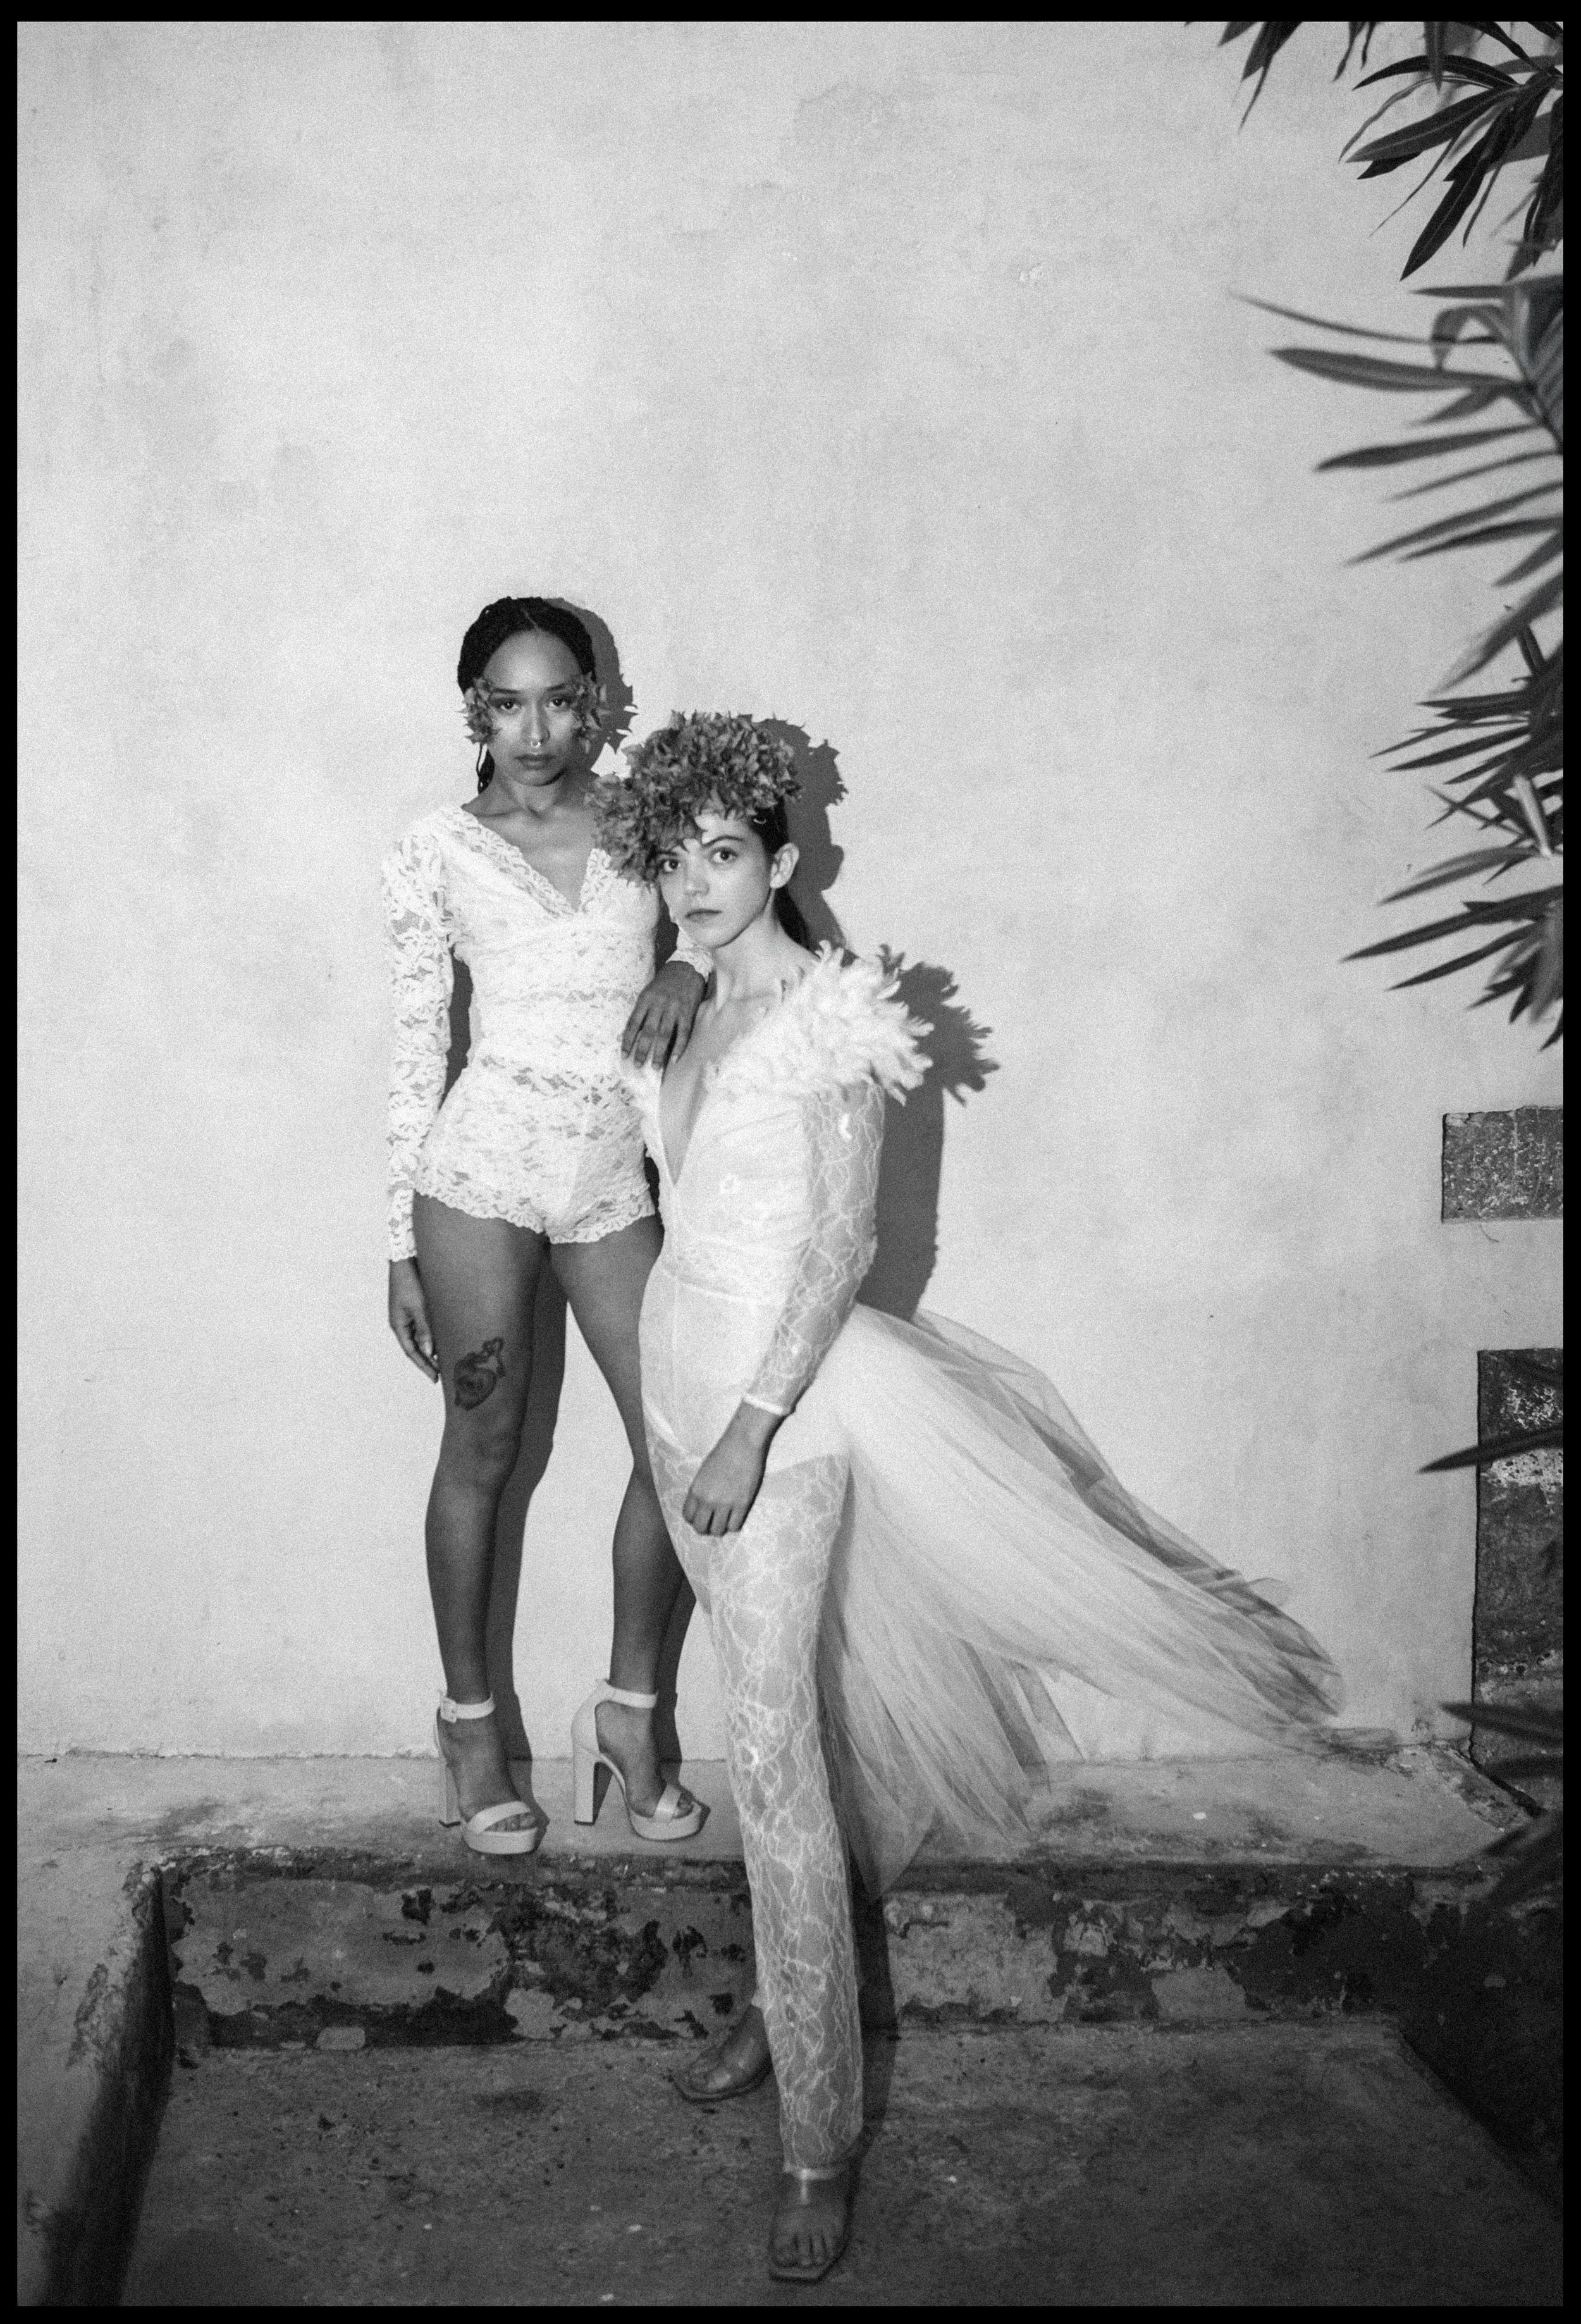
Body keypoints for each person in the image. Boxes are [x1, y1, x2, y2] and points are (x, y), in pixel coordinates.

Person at [595, 711, 1342, 2282]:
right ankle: (776, 2004)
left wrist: (745, 1435)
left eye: (722, 852)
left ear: (779, 860)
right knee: (764, 1733)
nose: (693, 881)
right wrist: (671, 968)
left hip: (775, 1419)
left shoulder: (834, 1019)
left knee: (775, 1763)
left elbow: (837, 1251)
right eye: (670, 859)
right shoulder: (683, 998)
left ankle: (817, 2140)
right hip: (669, 1387)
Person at [382, 597, 713, 1857]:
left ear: (594, 705)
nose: (535, 731)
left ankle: (630, 1710)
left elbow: (736, 909)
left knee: (679, 1445)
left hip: (610, 1176)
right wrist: (400, 1241)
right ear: (475, 709)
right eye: (508, 703)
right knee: (484, 1442)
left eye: (560, 700)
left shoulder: (645, 824)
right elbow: (419, 1045)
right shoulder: (434, 848)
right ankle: (471, 1728)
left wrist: (684, 962)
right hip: (479, 1175)